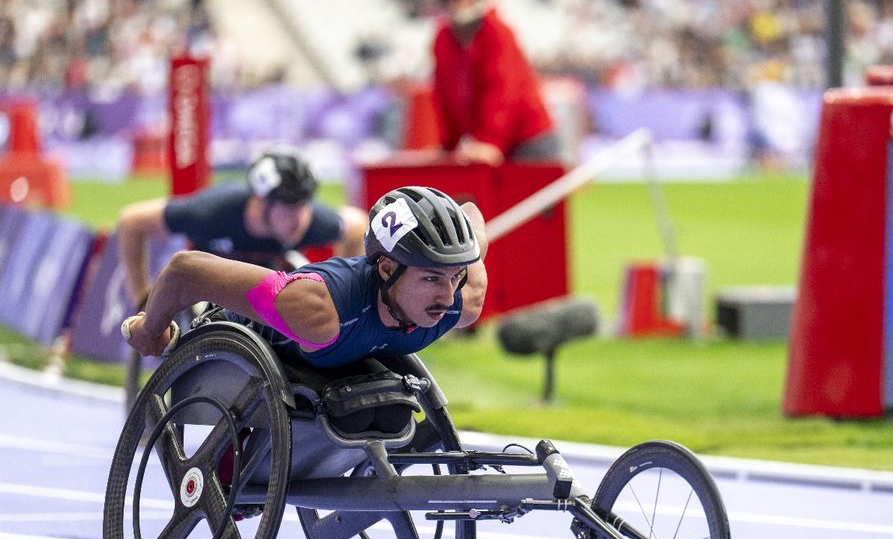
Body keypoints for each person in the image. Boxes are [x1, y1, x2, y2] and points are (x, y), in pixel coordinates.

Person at [121, 185, 488, 370]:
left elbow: (470, 212)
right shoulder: (318, 309)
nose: (446, 295)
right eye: (431, 279)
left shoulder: (463, 302)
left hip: (342, 361)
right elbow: (186, 270)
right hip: (244, 352)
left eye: (456, 275)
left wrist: (459, 252)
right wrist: (150, 330)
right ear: (388, 269)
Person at [115, 146, 368, 308]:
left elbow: (357, 225)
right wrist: (141, 297)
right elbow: (131, 221)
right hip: (207, 285)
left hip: (265, 285)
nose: (300, 218)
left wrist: (342, 296)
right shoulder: (212, 213)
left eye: (304, 204)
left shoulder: (308, 220)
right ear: (262, 202)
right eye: (290, 205)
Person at [430, 0, 560, 165]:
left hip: (527, 140)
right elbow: (445, 93)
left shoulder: (497, 31)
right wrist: (449, 145)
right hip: (488, 144)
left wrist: (490, 140)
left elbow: (504, 91)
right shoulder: (443, 38)